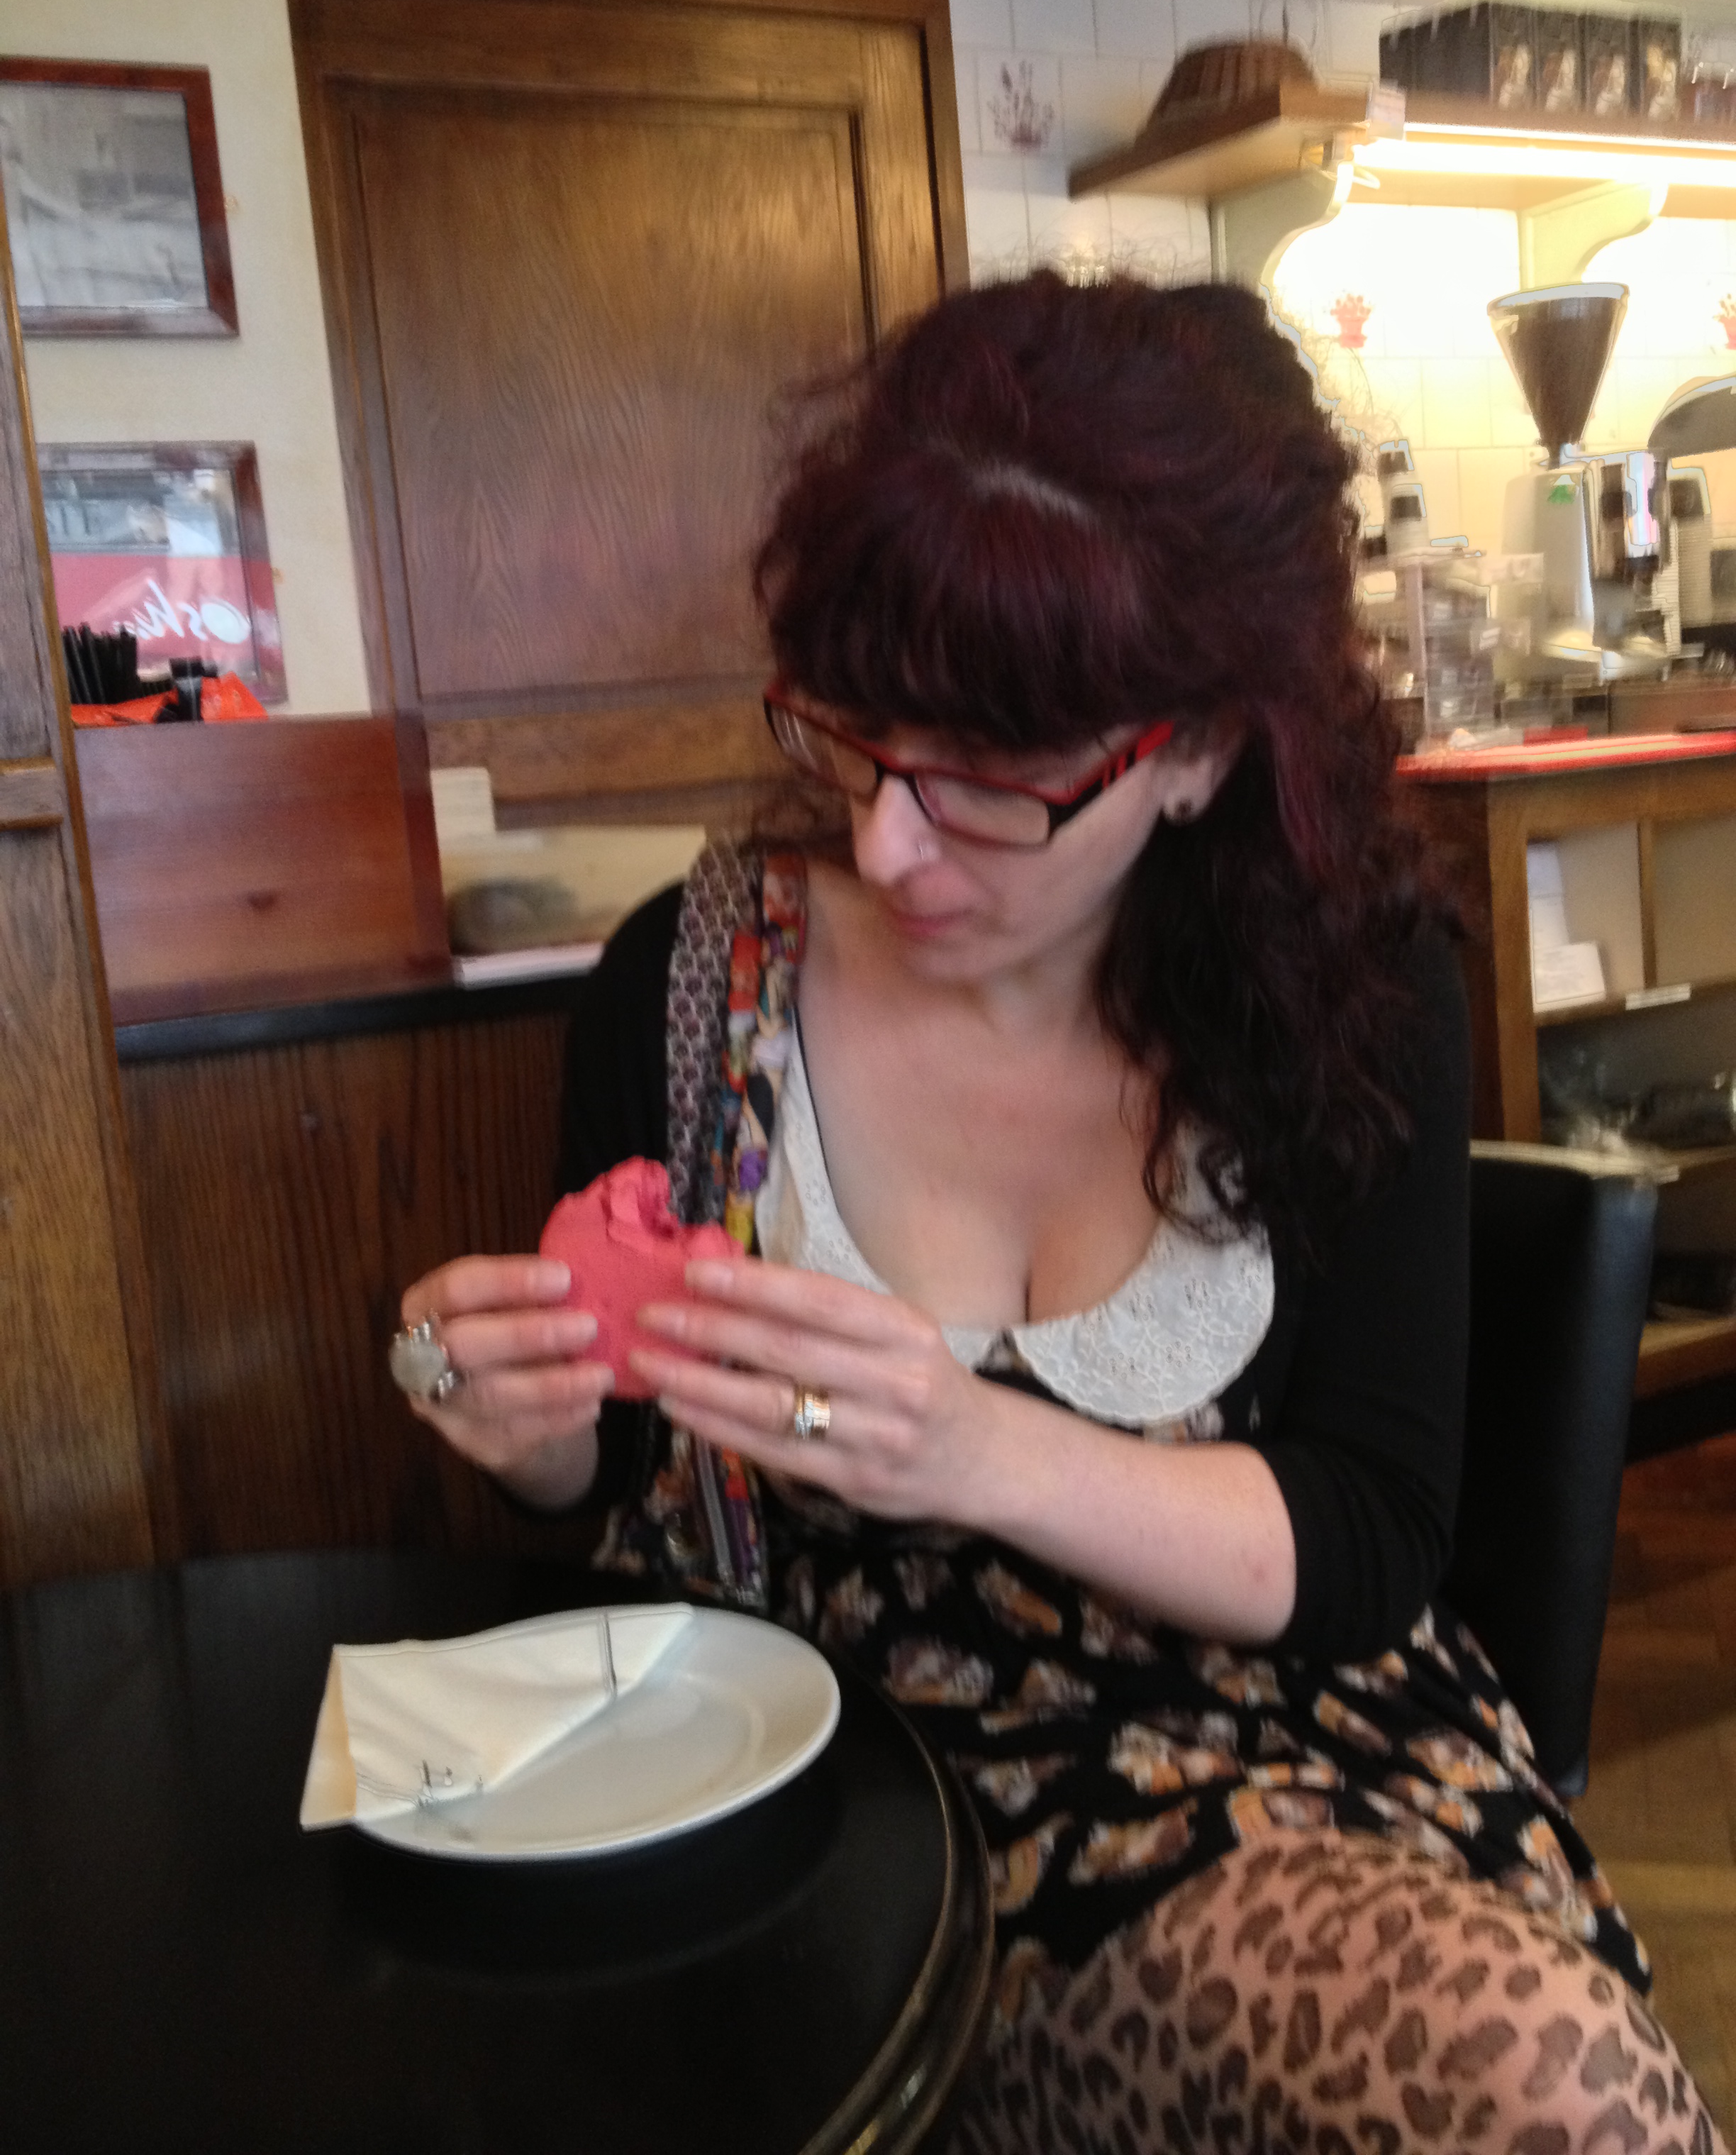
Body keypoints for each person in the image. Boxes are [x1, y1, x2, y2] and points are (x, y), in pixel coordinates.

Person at [398, 275, 1723, 2155]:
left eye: (991, 781)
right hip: (829, 1784)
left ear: (1197, 754)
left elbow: (1364, 1538)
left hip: (1269, 1746)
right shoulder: (692, 986)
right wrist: (505, 1411)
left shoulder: (1349, 994)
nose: (886, 844)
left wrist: (967, 1446)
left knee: (1547, 2087)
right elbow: (613, 1481)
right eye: (859, 736)